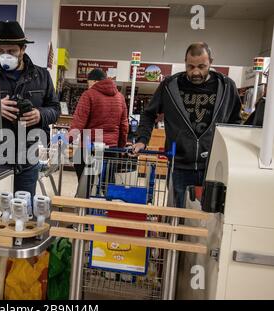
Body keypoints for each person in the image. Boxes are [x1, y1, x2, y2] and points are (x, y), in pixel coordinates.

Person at [133, 42, 242, 207]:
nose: (196, 72)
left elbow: (235, 122)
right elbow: (148, 113)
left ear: (211, 62)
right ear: (185, 62)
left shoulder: (226, 86)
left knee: (209, 217)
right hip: (179, 164)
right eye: (190, 66)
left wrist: (234, 153)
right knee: (178, 214)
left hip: (214, 164)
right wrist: (142, 140)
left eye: (201, 66)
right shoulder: (170, 85)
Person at [0, 21, 60, 200]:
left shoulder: (42, 76)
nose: (5, 55)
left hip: (28, 155)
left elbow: (55, 109)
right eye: (0, 51)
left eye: (11, 51)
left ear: (23, 49)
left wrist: (40, 115)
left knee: (24, 206)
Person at [69, 69, 129, 180]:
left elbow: (78, 123)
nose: (88, 86)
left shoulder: (88, 95)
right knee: (107, 185)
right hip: (111, 148)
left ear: (94, 81)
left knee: (85, 185)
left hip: (89, 147)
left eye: (89, 83)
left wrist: (67, 140)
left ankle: (84, 196)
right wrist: (120, 147)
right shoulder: (120, 97)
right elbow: (124, 126)